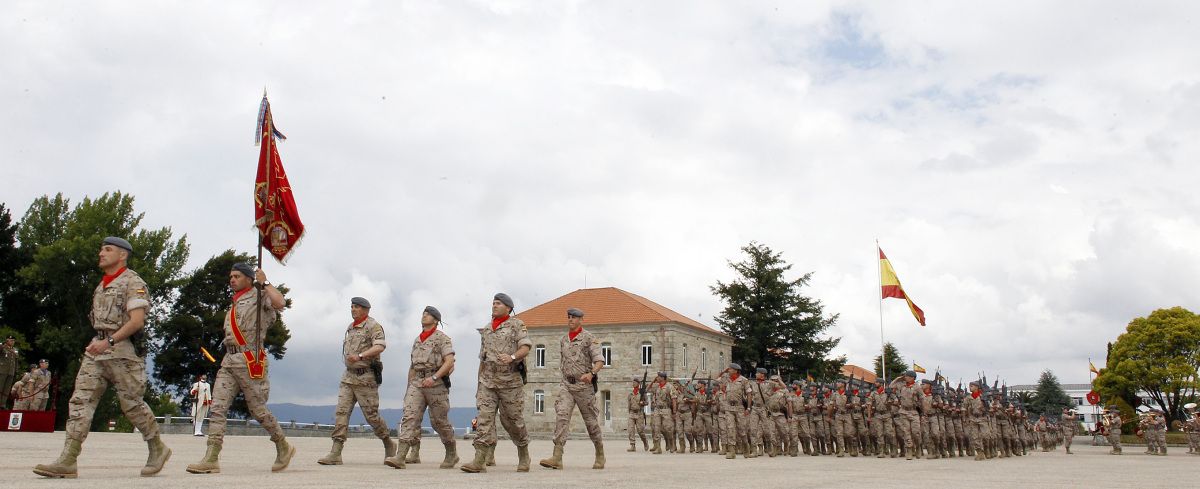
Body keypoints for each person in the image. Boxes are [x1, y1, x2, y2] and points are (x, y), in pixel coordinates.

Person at [34, 237, 170, 478]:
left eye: (107, 250)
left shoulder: (133, 282)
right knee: (80, 401)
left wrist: (108, 341)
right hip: (97, 352)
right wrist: (97, 340)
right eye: (101, 249)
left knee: (132, 405)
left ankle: (157, 447)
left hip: (123, 352)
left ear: (122, 255)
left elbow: (137, 321)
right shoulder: (101, 285)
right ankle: (68, 459)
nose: (101, 253)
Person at [186, 262, 293, 474]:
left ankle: (282, 445)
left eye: (236, 276)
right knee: (217, 408)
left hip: (249, 359)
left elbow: (280, 303)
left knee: (258, 410)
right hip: (229, 360)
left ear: (248, 278)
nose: (232, 279)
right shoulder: (234, 303)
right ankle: (211, 457)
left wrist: (266, 282)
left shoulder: (260, 296)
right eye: (231, 276)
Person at [461, 293, 532, 473]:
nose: (494, 306)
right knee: (484, 419)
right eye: (493, 303)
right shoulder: (486, 330)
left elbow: (526, 347)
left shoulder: (517, 325)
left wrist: (512, 357)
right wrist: (479, 384)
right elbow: (482, 359)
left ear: (508, 307)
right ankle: (479, 460)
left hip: (510, 382)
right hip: (488, 382)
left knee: (513, 421)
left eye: (498, 303)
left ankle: (523, 452)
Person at [320, 297, 395, 466]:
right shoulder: (350, 327)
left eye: (357, 307)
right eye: (352, 307)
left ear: (366, 310)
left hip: (365, 377)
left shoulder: (373, 326)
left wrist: (361, 356)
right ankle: (335, 452)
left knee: (372, 416)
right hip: (348, 376)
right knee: (341, 412)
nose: (353, 309)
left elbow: (380, 346)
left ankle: (388, 442)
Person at [388, 305, 457, 469]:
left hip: (436, 384)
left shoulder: (442, 338)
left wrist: (434, 377)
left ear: (436, 320)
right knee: (409, 416)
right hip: (417, 382)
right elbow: (412, 366)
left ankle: (451, 452)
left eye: (428, 314)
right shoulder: (417, 340)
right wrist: (408, 387)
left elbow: (449, 362)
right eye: (423, 313)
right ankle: (400, 455)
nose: (424, 316)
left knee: (439, 422)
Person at [539, 308, 605, 469]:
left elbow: (599, 361)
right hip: (567, 385)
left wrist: (591, 373)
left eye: (574, 318)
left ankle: (600, 453)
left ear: (581, 320)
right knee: (561, 416)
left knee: (591, 422)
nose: (570, 320)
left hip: (584, 386)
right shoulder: (564, 340)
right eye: (569, 317)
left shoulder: (589, 338)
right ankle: (557, 457)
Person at [648, 371, 677, 454]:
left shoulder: (669, 387)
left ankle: (671, 444)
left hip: (666, 410)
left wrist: (674, 412)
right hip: (657, 410)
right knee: (656, 428)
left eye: (659, 376)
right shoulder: (656, 386)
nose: (657, 377)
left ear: (663, 378)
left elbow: (674, 399)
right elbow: (647, 389)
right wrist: (653, 380)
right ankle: (658, 448)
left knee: (668, 429)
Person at [627, 375, 649, 451]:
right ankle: (632, 445)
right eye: (633, 382)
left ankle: (645, 442)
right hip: (632, 413)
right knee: (630, 430)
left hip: (639, 413)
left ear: (638, 384)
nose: (633, 384)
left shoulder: (642, 393)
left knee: (640, 431)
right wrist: (629, 412)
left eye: (635, 382)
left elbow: (647, 402)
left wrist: (643, 403)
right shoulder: (630, 393)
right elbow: (629, 404)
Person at [0, 336, 17, 409]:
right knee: (0, 387)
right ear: (7, 341)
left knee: (7, 389)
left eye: (13, 340)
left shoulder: (15, 350)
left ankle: (3, 404)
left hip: (11, 372)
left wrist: (15, 370)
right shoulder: (3, 347)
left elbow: (16, 361)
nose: (12, 342)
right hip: (2, 370)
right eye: (10, 340)